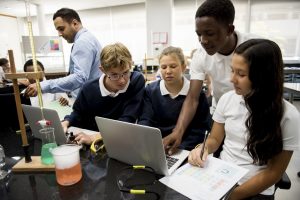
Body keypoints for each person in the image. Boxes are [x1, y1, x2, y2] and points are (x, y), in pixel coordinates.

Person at [188, 39, 300, 199]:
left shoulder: (288, 116)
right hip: (220, 177)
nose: (232, 79)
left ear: (263, 77)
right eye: (232, 71)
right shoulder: (227, 99)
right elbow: (214, 139)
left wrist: (231, 196)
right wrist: (203, 148)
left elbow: (274, 173)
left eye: (241, 74)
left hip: (254, 189)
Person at [163, 0, 257, 155]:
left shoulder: (256, 47)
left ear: (229, 29)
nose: (203, 41)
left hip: (256, 111)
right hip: (222, 113)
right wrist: (178, 131)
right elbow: (192, 98)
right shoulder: (201, 55)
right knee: (221, 155)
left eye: (210, 33)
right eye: (199, 34)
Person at [62, 43, 145, 145]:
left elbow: (127, 120)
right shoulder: (89, 88)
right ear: (103, 70)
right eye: (114, 75)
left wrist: (95, 137)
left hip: (116, 138)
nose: (122, 80)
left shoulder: (136, 80)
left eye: (126, 72)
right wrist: (66, 122)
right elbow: (78, 113)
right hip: (90, 138)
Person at [138, 46, 210, 150]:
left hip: (185, 149)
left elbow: (200, 129)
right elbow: (146, 120)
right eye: (163, 67)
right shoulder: (150, 91)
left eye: (173, 66)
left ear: (184, 67)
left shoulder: (197, 93)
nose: (168, 71)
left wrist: (180, 148)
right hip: (158, 147)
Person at [25, 8, 102, 99]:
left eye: (61, 29)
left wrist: (42, 86)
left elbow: (79, 78)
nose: (59, 34)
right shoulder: (87, 38)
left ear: (75, 23)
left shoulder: (82, 42)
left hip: (89, 102)